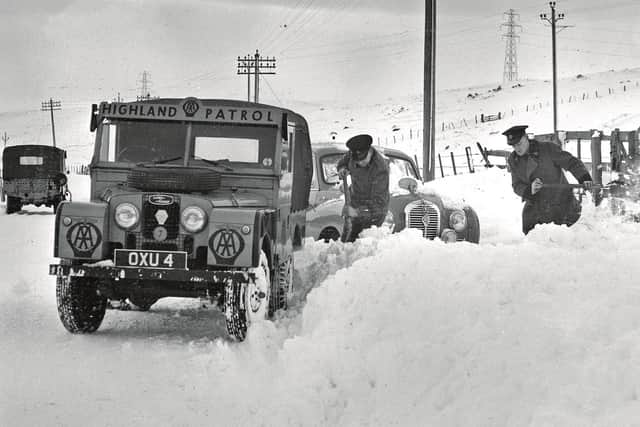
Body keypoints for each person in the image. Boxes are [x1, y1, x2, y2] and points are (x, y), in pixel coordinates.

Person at [504, 125, 593, 235]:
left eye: (519, 144)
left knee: (569, 241)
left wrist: (584, 178)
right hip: (536, 209)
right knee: (535, 244)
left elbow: (571, 162)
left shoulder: (547, 149)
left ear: (526, 138)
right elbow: (516, 185)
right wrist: (529, 190)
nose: (517, 148)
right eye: (513, 146)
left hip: (562, 204)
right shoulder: (513, 160)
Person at [337, 134, 390, 242]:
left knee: (363, 247)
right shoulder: (352, 154)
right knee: (346, 243)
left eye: (362, 160)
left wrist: (357, 212)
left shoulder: (380, 169)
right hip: (355, 202)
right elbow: (343, 162)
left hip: (374, 215)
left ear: (369, 151)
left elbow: (379, 204)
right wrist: (342, 169)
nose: (359, 163)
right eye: (356, 161)